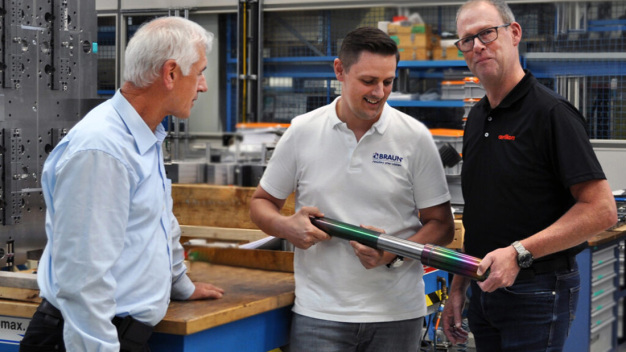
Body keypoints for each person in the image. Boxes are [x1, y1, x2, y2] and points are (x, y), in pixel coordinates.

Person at [20, 16, 224, 352]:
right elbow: (84, 281)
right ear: (170, 73)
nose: (203, 85)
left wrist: (180, 284)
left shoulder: (142, 137)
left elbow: (159, 224)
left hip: (122, 333)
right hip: (84, 340)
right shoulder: (103, 149)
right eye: (199, 72)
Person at [249, 26, 455, 351]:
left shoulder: (414, 137)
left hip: (397, 315)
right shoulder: (303, 131)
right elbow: (261, 203)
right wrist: (286, 226)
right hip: (320, 314)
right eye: (369, 81)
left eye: (388, 82)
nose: (380, 92)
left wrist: (392, 251)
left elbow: (442, 226)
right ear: (339, 71)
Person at [442, 1, 618, 351]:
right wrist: (458, 286)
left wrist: (518, 252)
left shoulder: (551, 113)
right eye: (467, 40)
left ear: (515, 33)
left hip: (537, 290)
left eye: (487, 33)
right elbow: (479, 211)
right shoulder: (477, 118)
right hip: (483, 286)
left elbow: (601, 210)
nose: (477, 45)